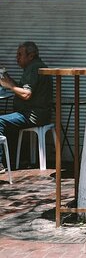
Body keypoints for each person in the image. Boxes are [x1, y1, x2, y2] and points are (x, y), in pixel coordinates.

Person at [0, 42, 53, 172]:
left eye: (20, 54)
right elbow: (23, 89)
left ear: (31, 56)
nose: (16, 58)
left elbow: (26, 94)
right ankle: (18, 158)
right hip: (37, 113)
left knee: (0, 121)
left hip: (32, 115)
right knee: (8, 123)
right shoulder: (36, 67)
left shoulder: (33, 69)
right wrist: (8, 80)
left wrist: (10, 86)